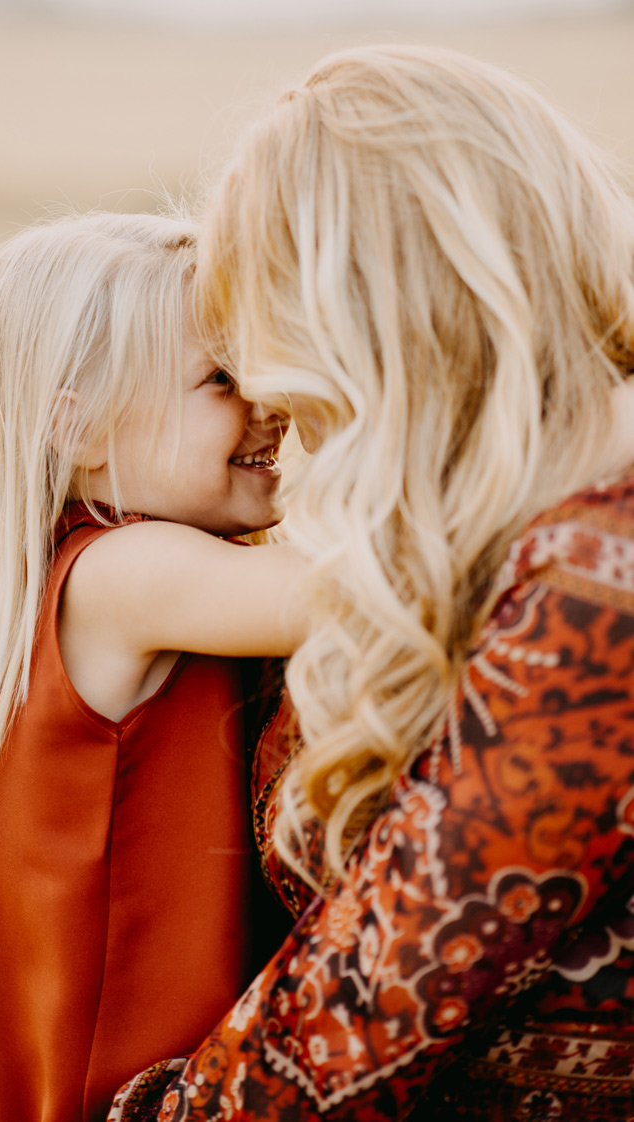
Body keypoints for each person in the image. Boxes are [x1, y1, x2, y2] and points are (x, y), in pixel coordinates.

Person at [108, 45, 634, 1122]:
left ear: (371, 327)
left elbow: (346, 1030)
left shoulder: (602, 587)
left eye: (267, 340)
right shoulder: (511, 526)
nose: (261, 393)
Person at [0, 212, 306, 1122]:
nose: (274, 401)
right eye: (222, 377)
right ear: (82, 426)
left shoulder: (113, 565)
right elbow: (371, 591)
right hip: (131, 1088)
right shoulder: (119, 575)